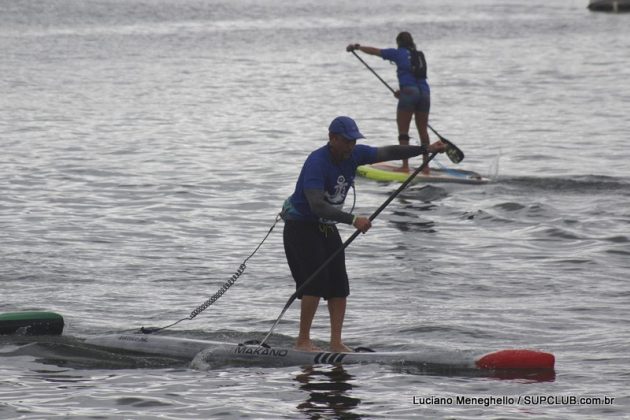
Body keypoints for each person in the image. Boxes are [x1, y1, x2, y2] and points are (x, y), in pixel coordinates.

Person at [281, 116, 445, 352]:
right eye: (347, 141)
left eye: (354, 141)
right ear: (332, 139)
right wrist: (353, 219)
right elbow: (316, 205)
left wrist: (424, 149)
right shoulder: (317, 162)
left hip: (327, 226)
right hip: (301, 226)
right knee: (314, 283)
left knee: (339, 285)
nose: (351, 146)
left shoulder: (354, 155)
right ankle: (303, 341)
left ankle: (336, 343)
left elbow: (388, 152)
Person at [347, 32, 431, 174]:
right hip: (425, 93)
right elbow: (416, 78)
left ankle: (405, 166)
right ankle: (426, 167)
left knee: (403, 131)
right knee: (423, 130)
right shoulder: (419, 55)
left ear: (399, 43)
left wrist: (358, 47)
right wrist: (403, 92)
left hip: (409, 93)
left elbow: (375, 51)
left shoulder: (398, 53)